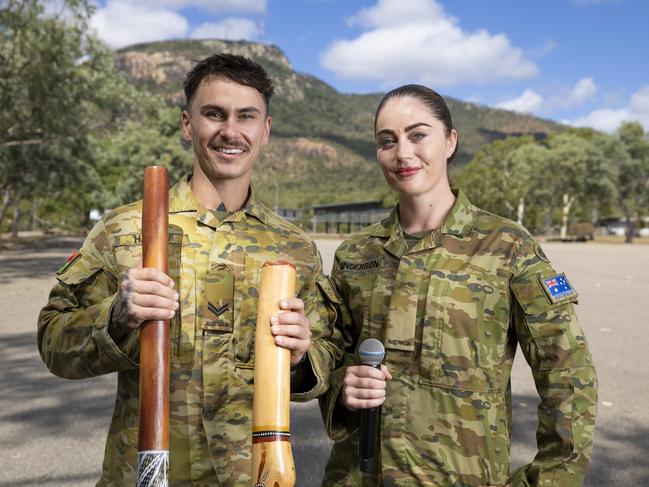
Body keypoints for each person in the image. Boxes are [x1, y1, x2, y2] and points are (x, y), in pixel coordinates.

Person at [37, 53, 342, 486]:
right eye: (214, 114)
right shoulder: (127, 228)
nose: (230, 131)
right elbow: (53, 341)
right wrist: (116, 315)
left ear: (266, 130)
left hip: (254, 475)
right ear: (187, 124)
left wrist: (298, 359)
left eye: (246, 116)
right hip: (146, 474)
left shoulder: (295, 248)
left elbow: (326, 354)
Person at [319, 84, 597, 486]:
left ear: (450, 141)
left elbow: (568, 371)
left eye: (418, 135)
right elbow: (330, 356)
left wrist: (550, 480)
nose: (403, 153)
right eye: (387, 141)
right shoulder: (356, 253)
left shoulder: (506, 246)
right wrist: (342, 388)